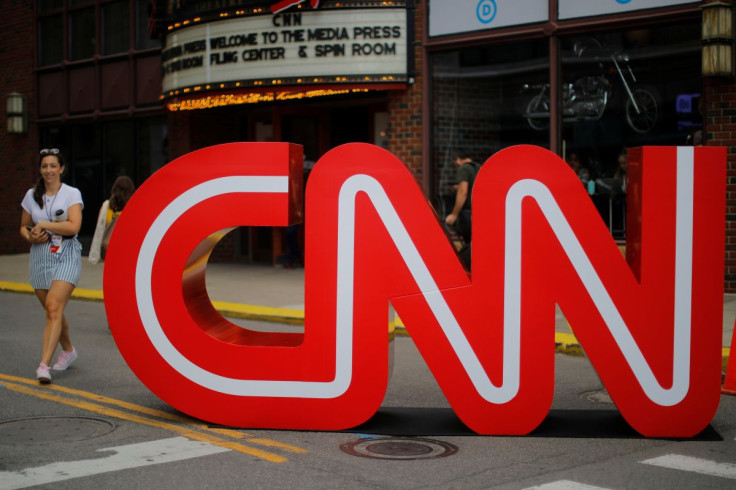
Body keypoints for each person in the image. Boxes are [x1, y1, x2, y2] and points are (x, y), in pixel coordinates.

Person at [20, 148, 84, 384]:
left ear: (61, 168)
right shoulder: (31, 195)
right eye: (44, 166)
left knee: (54, 307)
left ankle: (43, 365)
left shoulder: (71, 194)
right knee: (52, 310)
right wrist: (30, 237)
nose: (48, 170)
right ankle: (68, 350)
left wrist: (45, 224)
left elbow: (74, 226)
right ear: (40, 169)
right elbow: (23, 227)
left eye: (53, 166)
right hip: (40, 256)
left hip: (66, 254)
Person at [89, 176, 135, 264]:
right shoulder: (132, 207)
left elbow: (100, 227)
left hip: (109, 250)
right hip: (126, 250)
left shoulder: (106, 205)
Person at [445, 150, 480, 245]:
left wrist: (454, 214)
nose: (455, 166)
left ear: (458, 160)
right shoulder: (478, 167)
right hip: (480, 213)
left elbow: (463, 192)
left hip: (468, 213)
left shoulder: (463, 169)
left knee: (468, 245)